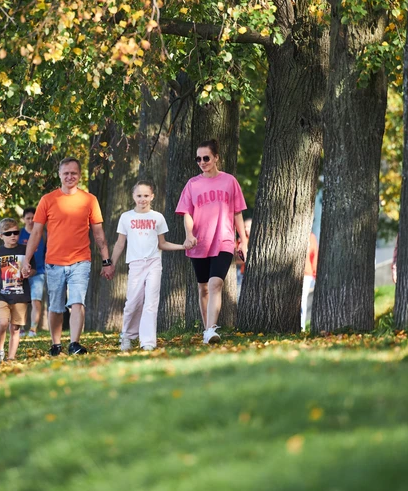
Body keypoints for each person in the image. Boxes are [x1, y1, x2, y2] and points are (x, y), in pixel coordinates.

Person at [23, 156, 114, 356]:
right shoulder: (47, 200)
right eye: (66, 173)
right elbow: (36, 233)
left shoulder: (89, 200)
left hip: (81, 261)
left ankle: (74, 343)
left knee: (77, 302)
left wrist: (107, 261)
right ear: (60, 175)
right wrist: (26, 260)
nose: (70, 176)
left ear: (80, 175)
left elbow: (98, 234)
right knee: (55, 307)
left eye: (74, 173)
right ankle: (56, 344)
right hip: (54, 263)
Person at [176, 139, 248, 345]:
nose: (202, 162)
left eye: (206, 158)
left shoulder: (229, 181)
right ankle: (207, 329)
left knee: (216, 283)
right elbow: (186, 213)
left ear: (216, 157)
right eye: (198, 159)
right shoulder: (192, 184)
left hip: (224, 240)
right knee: (203, 288)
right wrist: (189, 234)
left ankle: (211, 329)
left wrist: (243, 241)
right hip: (200, 242)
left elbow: (237, 213)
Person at [112, 181, 185, 352]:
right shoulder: (126, 217)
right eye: (139, 195)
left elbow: (163, 243)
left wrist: (182, 246)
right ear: (133, 197)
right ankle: (127, 337)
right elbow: (119, 244)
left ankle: (148, 342)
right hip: (136, 265)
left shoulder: (157, 217)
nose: (142, 199)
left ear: (152, 197)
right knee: (133, 302)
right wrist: (111, 264)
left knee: (151, 302)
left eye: (146, 196)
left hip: (154, 263)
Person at [0, 218, 34, 365]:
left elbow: (34, 269)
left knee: (15, 327)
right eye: (8, 233)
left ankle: (11, 358)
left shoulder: (25, 250)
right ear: (1, 236)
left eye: (16, 232)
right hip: (1, 294)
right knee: (3, 322)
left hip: (21, 295)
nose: (13, 236)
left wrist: (29, 272)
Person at [19, 207, 47, 338]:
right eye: (28, 218)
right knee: (21, 301)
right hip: (21, 273)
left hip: (39, 272)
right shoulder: (19, 235)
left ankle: (33, 329)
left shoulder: (43, 233)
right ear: (23, 219)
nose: (30, 221)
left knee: (36, 300)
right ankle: (20, 328)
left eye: (33, 218)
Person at [301, 232, 319, 330]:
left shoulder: (311, 237)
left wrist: (315, 274)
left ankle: (301, 327)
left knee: (302, 300)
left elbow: (314, 255)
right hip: (291, 273)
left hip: (306, 274)